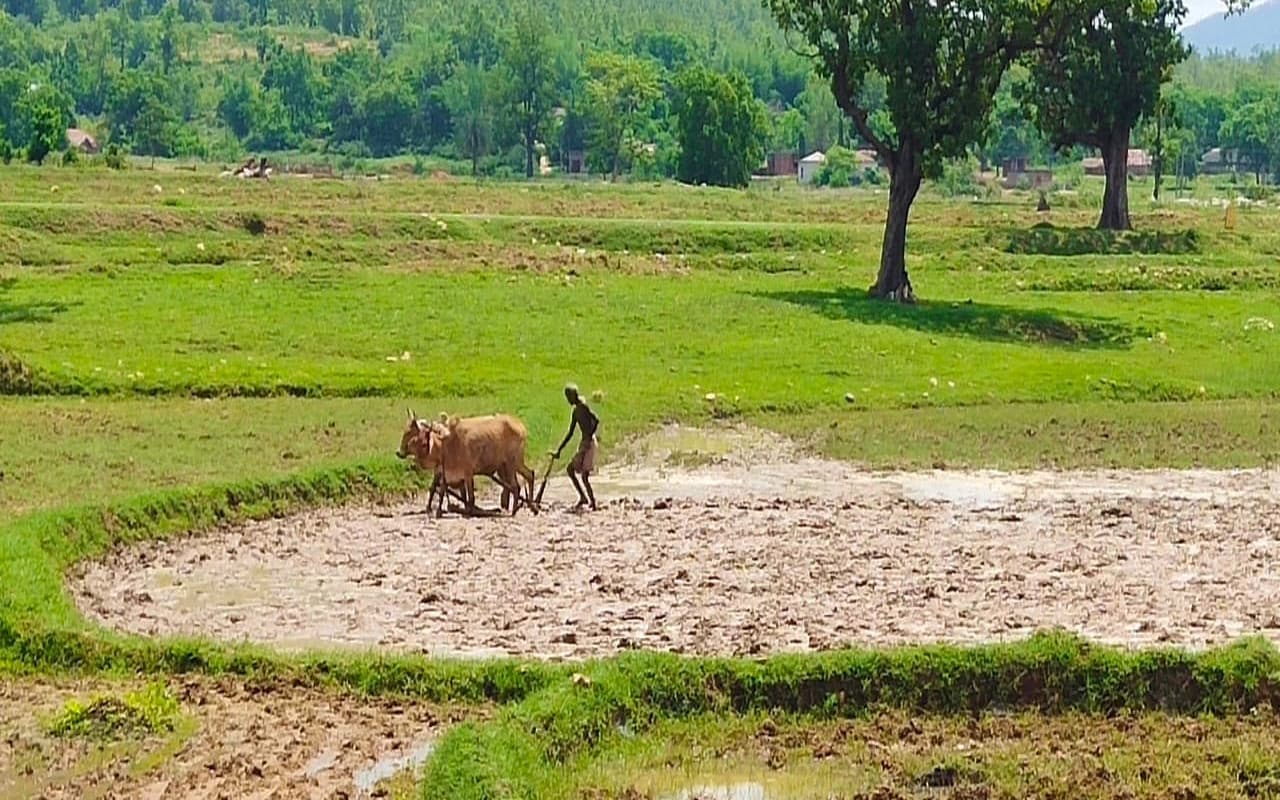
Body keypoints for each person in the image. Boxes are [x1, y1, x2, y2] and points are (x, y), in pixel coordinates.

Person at [554, 383, 600, 510]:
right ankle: (584, 497)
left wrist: (590, 435)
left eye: (568, 397)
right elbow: (570, 432)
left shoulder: (583, 407)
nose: (568, 400)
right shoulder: (576, 411)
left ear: (573, 396)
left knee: (584, 476)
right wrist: (559, 450)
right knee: (570, 470)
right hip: (584, 443)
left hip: (589, 443)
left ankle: (592, 502)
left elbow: (596, 420)